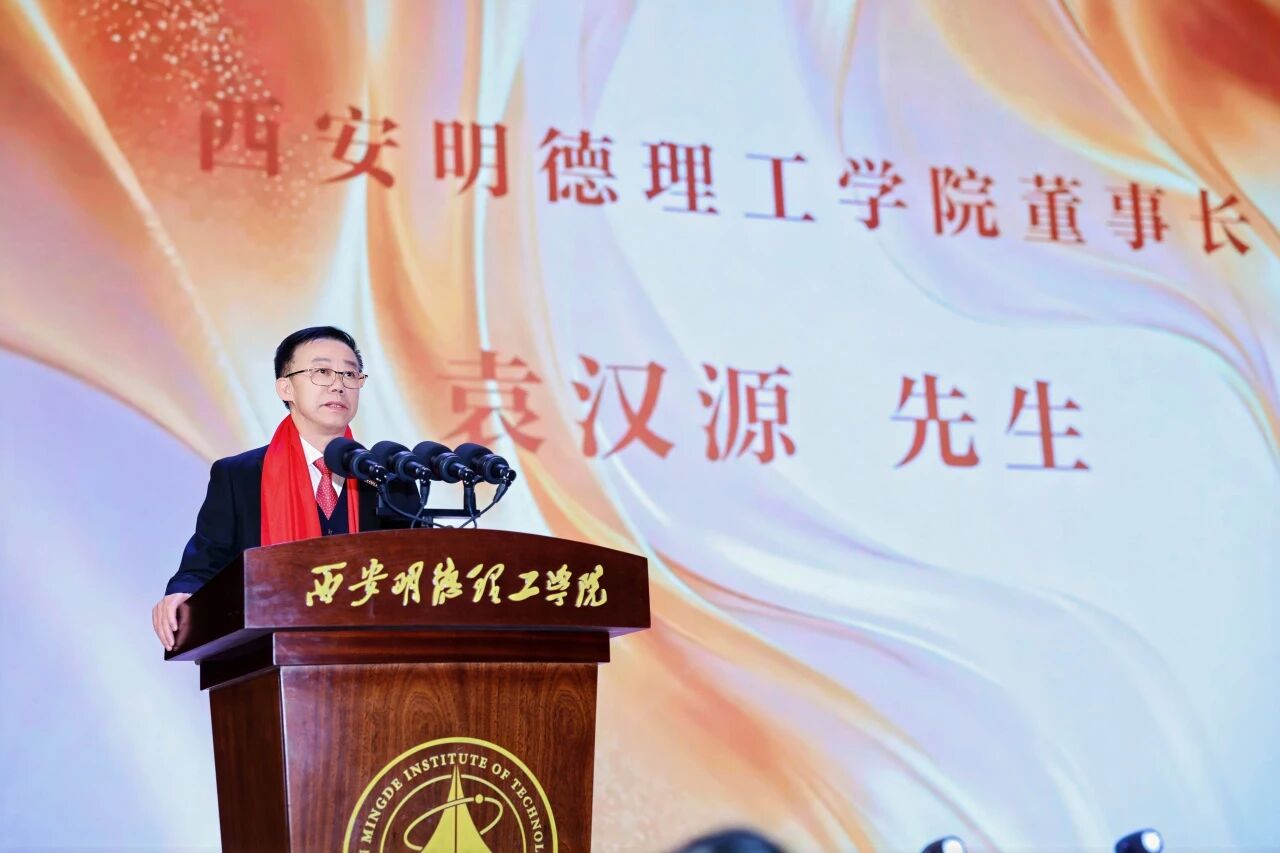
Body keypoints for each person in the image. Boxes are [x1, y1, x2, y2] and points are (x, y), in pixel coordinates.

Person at [150, 326, 415, 650]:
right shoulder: (239, 476)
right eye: (322, 372)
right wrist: (183, 593)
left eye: (350, 374)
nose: (338, 384)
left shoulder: (389, 476)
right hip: (272, 655)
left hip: (374, 654)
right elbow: (205, 563)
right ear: (285, 387)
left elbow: (417, 568)